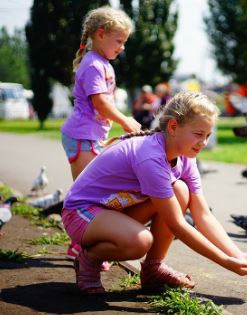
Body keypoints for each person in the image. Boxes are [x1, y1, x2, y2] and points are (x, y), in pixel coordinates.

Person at [61, 91, 247, 295]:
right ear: (173, 126)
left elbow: (203, 214)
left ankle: (153, 269)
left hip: (114, 211)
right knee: (139, 242)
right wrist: (225, 262)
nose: (203, 143)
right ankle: (89, 258)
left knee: (180, 190)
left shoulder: (186, 157)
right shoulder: (151, 158)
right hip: (81, 213)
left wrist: (237, 255)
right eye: (198, 134)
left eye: (207, 136)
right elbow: (178, 224)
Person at [61, 6, 141, 263]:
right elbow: (101, 103)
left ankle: (88, 242)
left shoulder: (101, 62)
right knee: (87, 196)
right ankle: (82, 245)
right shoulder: (94, 64)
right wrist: (125, 121)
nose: (122, 47)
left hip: (90, 137)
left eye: (124, 42)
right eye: (119, 41)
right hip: (81, 137)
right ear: (101, 34)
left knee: (95, 192)